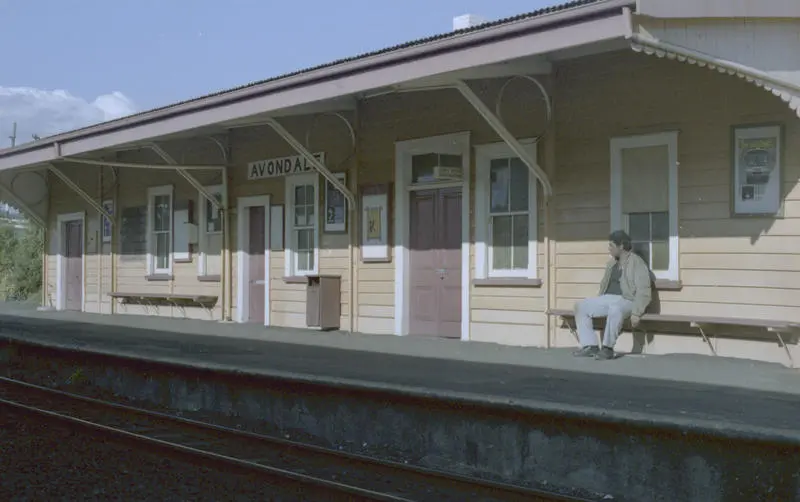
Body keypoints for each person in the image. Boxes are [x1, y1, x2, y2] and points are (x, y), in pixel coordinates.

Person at [572, 230, 652, 360]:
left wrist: (637, 312)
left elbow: (644, 290)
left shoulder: (636, 262)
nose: (608, 249)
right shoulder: (611, 263)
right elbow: (604, 286)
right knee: (581, 306)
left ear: (621, 246)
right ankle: (590, 346)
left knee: (615, 309)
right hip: (608, 298)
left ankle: (607, 348)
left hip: (628, 300)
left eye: (611, 245)